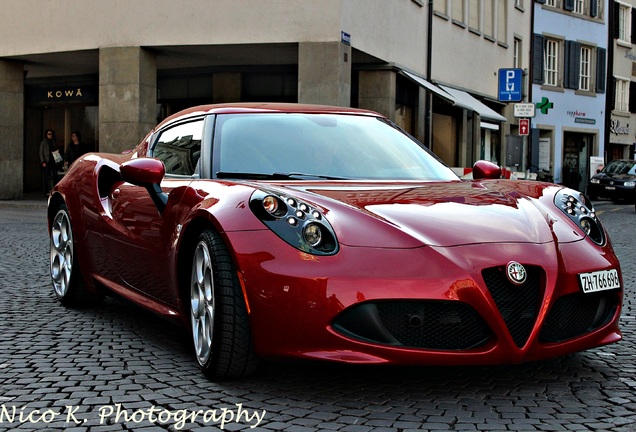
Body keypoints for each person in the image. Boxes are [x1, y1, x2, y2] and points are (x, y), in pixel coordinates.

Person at [39, 129, 61, 195]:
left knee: (55, 176)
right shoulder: (43, 142)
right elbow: (41, 152)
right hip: (47, 161)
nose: (50, 135)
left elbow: (56, 150)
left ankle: (55, 190)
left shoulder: (54, 142)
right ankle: (46, 191)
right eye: (49, 134)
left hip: (53, 161)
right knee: (46, 177)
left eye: (51, 134)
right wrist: (43, 161)